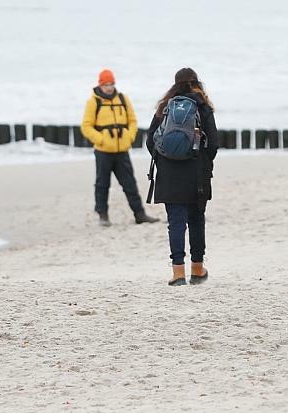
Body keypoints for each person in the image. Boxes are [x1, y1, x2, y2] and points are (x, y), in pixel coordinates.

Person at [146, 68, 220, 286]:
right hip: (196, 174)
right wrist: (203, 162)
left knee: (176, 223)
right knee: (196, 220)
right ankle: (197, 269)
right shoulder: (203, 107)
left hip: (169, 175)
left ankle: (178, 273)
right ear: (197, 83)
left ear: (175, 84)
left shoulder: (164, 107)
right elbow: (213, 143)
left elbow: (150, 140)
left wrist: (165, 161)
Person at [81, 68, 159, 227]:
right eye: (106, 84)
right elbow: (86, 126)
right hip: (103, 152)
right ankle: (103, 215)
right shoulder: (93, 102)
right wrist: (101, 139)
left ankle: (140, 214)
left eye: (111, 84)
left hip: (122, 151)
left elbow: (132, 121)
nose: (109, 87)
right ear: (100, 84)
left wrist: (129, 137)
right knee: (102, 184)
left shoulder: (123, 99)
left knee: (130, 184)